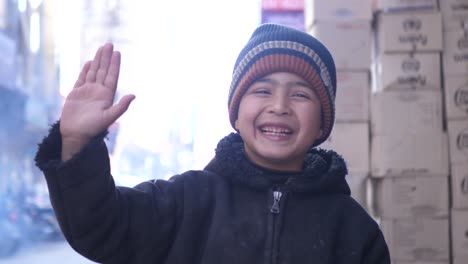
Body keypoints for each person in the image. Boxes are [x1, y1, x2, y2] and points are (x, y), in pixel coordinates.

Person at [35, 23, 391, 264]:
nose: (280, 106)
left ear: (321, 125)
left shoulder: (353, 229)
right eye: (262, 90)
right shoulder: (186, 201)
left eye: (300, 94)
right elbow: (100, 228)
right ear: (236, 114)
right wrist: (78, 142)